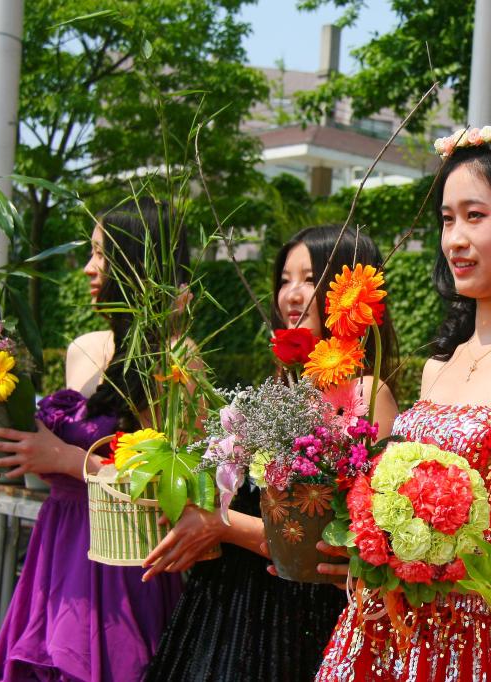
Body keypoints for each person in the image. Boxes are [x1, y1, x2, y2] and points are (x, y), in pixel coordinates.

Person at [315, 127, 491, 681]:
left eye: (475, 216)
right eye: (447, 220)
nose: (455, 240)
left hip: (482, 644)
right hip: (382, 627)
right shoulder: (437, 365)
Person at [141, 225, 400, 682]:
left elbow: (343, 541)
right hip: (232, 604)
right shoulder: (283, 386)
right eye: (284, 280)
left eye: (310, 279)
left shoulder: (365, 392)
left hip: (296, 618)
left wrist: (221, 525)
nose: (292, 295)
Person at [0, 198, 187, 681]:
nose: (89, 268)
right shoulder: (83, 348)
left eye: (102, 254)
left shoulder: (174, 359)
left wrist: (64, 458)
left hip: (121, 561)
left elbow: (169, 489)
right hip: (59, 542)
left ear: (137, 262)